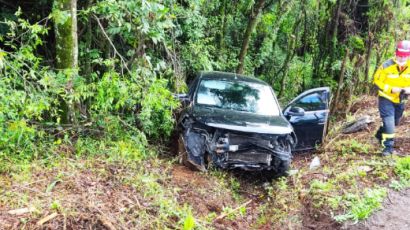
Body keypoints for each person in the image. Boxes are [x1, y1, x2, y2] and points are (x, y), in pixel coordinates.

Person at [373, 40, 410, 156]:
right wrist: (390, 89)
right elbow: (376, 81)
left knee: (395, 122)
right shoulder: (386, 65)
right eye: (400, 56)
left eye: (404, 56)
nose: (402, 59)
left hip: (401, 99)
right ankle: (387, 148)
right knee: (389, 124)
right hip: (386, 98)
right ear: (396, 53)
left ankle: (380, 134)